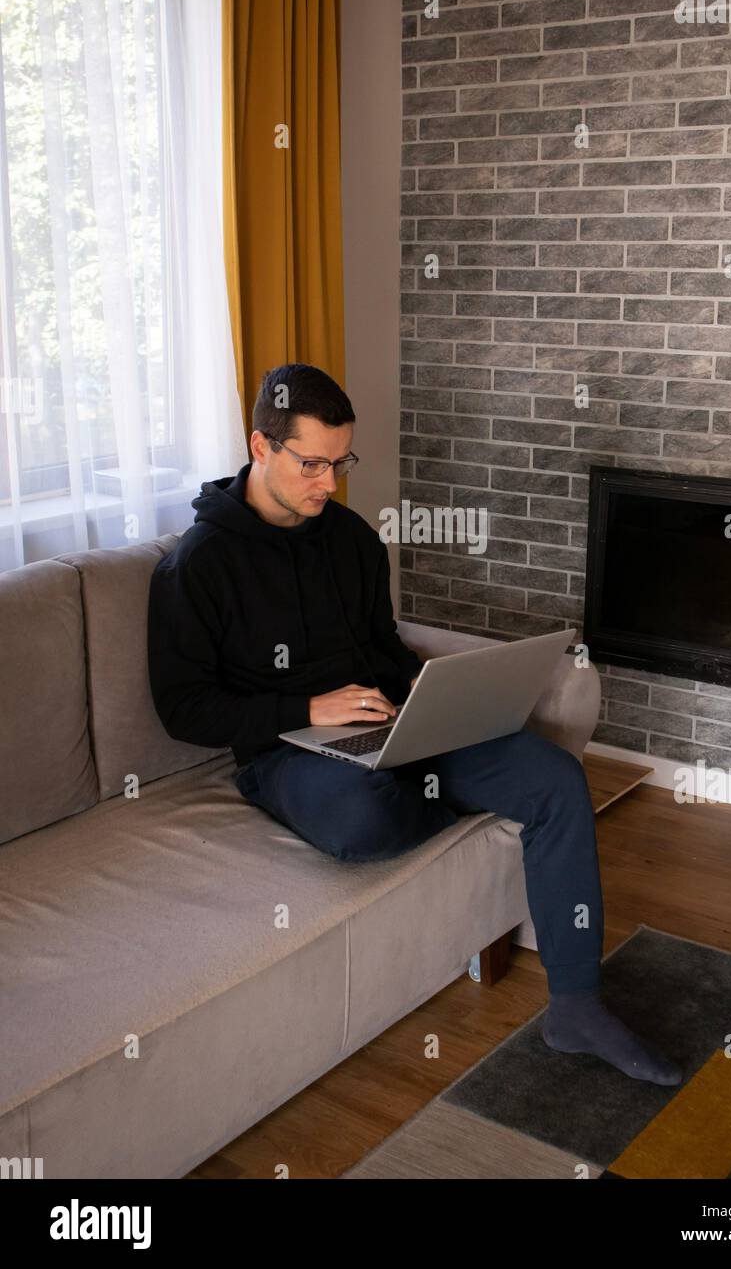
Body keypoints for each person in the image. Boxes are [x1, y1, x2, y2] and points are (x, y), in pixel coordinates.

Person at [147, 363, 682, 1086]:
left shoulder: (350, 541)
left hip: (392, 731)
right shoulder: (196, 565)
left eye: (340, 464)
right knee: (362, 819)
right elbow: (183, 708)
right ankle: (430, 788)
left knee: (555, 778)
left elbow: (382, 650)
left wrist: (431, 700)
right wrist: (306, 709)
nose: (329, 484)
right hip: (284, 753)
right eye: (312, 465)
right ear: (261, 446)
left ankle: (576, 1006)